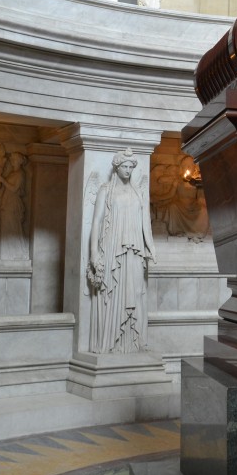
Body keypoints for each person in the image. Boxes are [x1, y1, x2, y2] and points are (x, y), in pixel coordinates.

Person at [88, 148, 157, 354]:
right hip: (113, 248)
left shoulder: (138, 192)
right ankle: (111, 341)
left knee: (135, 291)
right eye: (124, 167)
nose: (128, 171)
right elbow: (97, 222)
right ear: (116, 168)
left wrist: (151, 247)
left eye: (130, 167)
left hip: (135, 250)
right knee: (114, 292)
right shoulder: (105, 190)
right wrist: (94, 253)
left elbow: (146, 222)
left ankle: (131, 341)